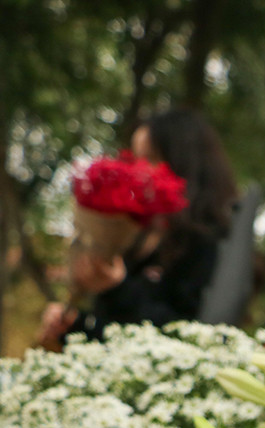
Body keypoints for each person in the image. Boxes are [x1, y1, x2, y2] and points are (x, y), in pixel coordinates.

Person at [39, 108, 239, 348]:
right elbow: (114, 334)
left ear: (184, 163)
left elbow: (189, 337)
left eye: (151, 158)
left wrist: (119, 289)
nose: (140, 171)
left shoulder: (210, 241)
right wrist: (75, 327)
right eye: (137, 159)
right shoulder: (133, 233)